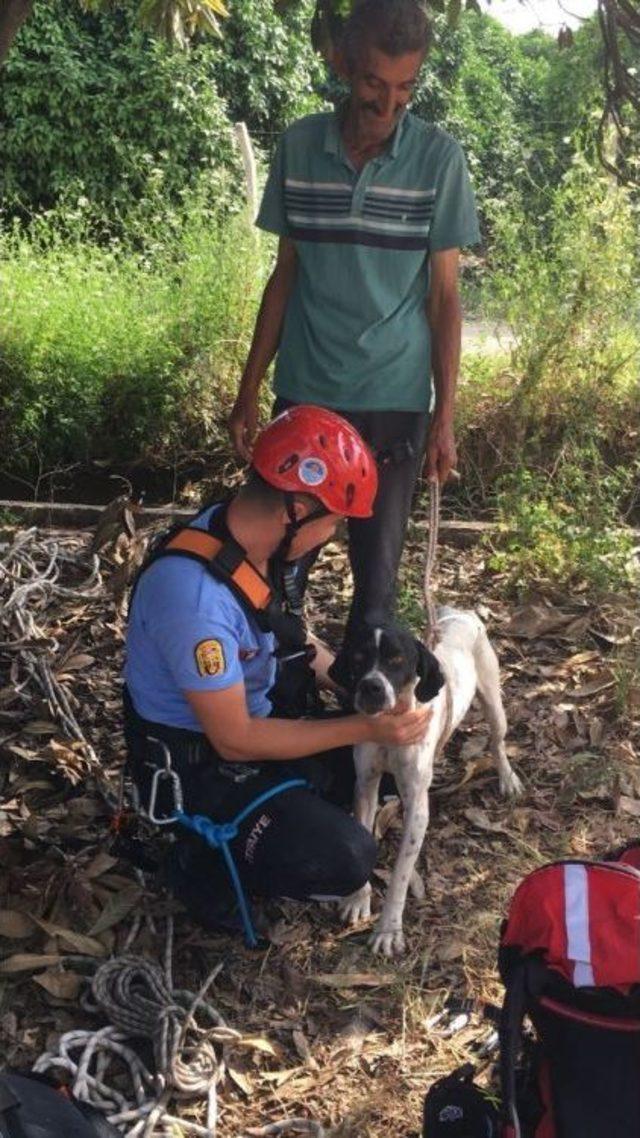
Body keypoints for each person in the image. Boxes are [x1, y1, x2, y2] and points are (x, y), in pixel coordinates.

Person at [123, 405, 431, 933]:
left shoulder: (251, 544)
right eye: (333, 521)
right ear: (298, 508)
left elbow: (293, 641)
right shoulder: (195, 601)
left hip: (258, 715)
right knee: (346, 857)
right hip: (203, 764)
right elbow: (235, 739)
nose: (333, 535)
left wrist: (363, 693)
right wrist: (363, 726)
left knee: (385, 774)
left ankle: (291, 804)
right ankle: (203, 861)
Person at [229, 0, 480, 637]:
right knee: (277, 573)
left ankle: (361, 729)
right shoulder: (299, 146)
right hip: (308, 399)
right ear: (343, 63)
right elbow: (284, 277)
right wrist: (248, 390)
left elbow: (445, 299)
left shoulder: (438, 160)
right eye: (374, 82)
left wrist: (444, 416)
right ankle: (272, 712)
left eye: (404, 87)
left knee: (375, 593)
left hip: (394, 403)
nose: (389, 103)